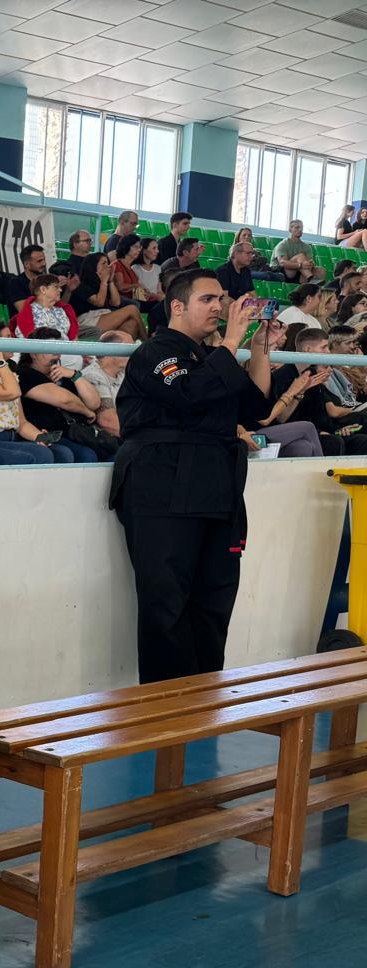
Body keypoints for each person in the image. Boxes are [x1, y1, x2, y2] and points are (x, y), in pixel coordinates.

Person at [111, 270, 272, 684]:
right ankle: (167, 704)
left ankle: (205, 696)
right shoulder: (154, 352)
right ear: (178, 306)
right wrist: (231, 341)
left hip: (214, 485)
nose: (218, 306)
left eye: (221, 299)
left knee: (215, 598)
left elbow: (256, 409)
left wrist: (258, 348)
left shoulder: (208, 357)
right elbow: (190, 393)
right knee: (166, 602)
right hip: (162, 486)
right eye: (207, 299)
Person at [0, 338, 68, 465]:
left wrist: (40, 437)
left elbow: (22, 424)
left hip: (11, 438)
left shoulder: (10, 378)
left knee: (63, 453)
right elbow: (13, 393)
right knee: (41, 454)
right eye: (6, 337)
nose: (11, 341)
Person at [15, 329, 108, 462]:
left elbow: (94, 403)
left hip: (77, 432)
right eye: (50, 350)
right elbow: (65, 400)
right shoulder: (24, 374)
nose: (56, 356)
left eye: (58, 350)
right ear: (33, 354)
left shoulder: (63, 373)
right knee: (87, 455)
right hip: (50, 434)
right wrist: (86, 412)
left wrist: (75, 375)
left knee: (111, 451)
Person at [242, 320, 326, 458]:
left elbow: (281, 418)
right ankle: (323, 469)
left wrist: (300, 392)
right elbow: (264, 419)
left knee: (302, 446)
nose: (278, 355)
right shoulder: (244, 379)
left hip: (267, 433)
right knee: (307, 427)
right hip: (250, 437)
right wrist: (291, 392)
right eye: (275, 350)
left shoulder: (271, 379)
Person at [280, 326, 367, 455]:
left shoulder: (314, 378)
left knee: (361, 440)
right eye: (324, 347)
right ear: (308, 350)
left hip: (326, 430)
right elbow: (283, 418)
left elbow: (322, 417)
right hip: (303, 432)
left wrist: (339, 429)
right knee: (334, 442)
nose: (328, 352)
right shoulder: (287, 375)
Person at [71, 253, 147, 339]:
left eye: (107, 263)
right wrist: (104, 281)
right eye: (103, 263)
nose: (107, 267)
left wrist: (110, 281)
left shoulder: (104, 284)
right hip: (88, 319)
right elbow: (99, 302)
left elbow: (116, 302)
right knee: (132, 308)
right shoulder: (82, 286)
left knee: (131, 324)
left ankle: (121, 346)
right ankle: (146, 340)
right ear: (93, 266)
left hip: (104, 315)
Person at [80, 330, 132, 438]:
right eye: (129, 348)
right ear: (111, 351)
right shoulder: (93, 375)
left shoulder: (125, 372)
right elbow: (108, 422)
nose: (133, 352)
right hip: (115, 438)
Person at [11, 273, 78, 339]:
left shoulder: (63, 310)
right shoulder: (27, 315)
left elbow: (74, 337)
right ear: (43, 289)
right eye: (56, 287)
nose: (60, 290)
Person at [5, 244, 48, 314]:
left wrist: (67, 290)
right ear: (26, 264)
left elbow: (60, 307)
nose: (44, 263)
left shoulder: (46, 281)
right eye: (39, 261)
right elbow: (25, 312)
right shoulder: (16, 283)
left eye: (44, 260)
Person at [215, 240, 255, 308]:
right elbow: (223, 298)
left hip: (239, 305)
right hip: (225, 307)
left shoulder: (246, 270)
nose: (251, 256)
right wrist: (240, 306)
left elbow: (251, 293)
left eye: (252, 253)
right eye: (248, 253)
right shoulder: (223, 271)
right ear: (236, 254)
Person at [133, 238, 164, 303]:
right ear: (144, 250)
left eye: (157, 248)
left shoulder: (158, 268)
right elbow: (139, 294)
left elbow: (159, 291)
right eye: (154, 248)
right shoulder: (135, 269)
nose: (157, 251)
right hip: (143, 303)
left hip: (156, 301)